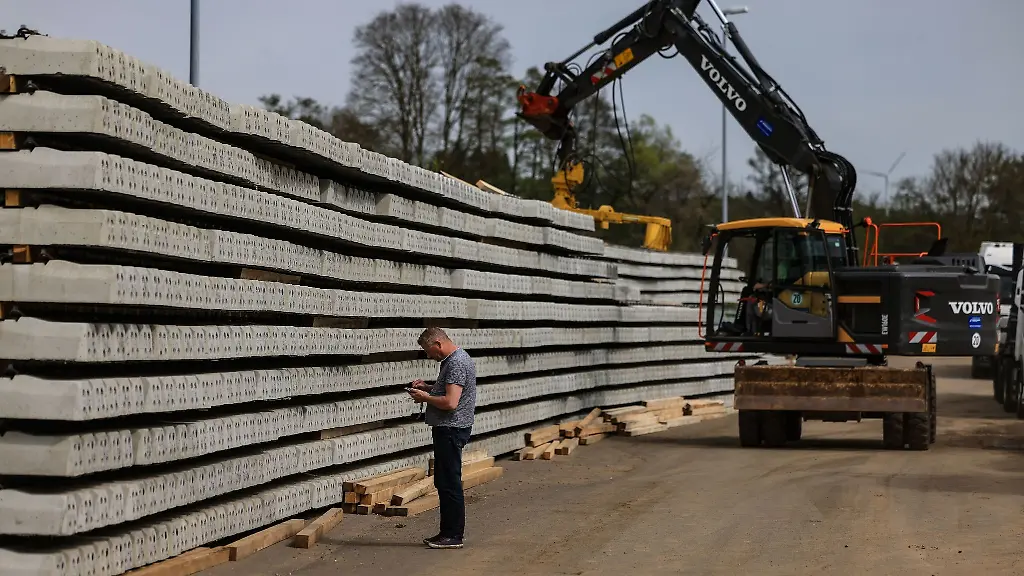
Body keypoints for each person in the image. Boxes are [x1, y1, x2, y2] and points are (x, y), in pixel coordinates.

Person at [407, 326, 477, 549]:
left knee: (449, 483)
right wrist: (428, 387)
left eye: (429, 351)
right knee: (445, 481)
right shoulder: (455, 359)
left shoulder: (456, 363)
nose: (430, 356)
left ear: (438, 343)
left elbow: (450, 402)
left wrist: (425, 397)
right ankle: (448, 533)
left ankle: (453, 535)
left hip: (450, 429)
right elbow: (449, 391)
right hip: (450, 429)